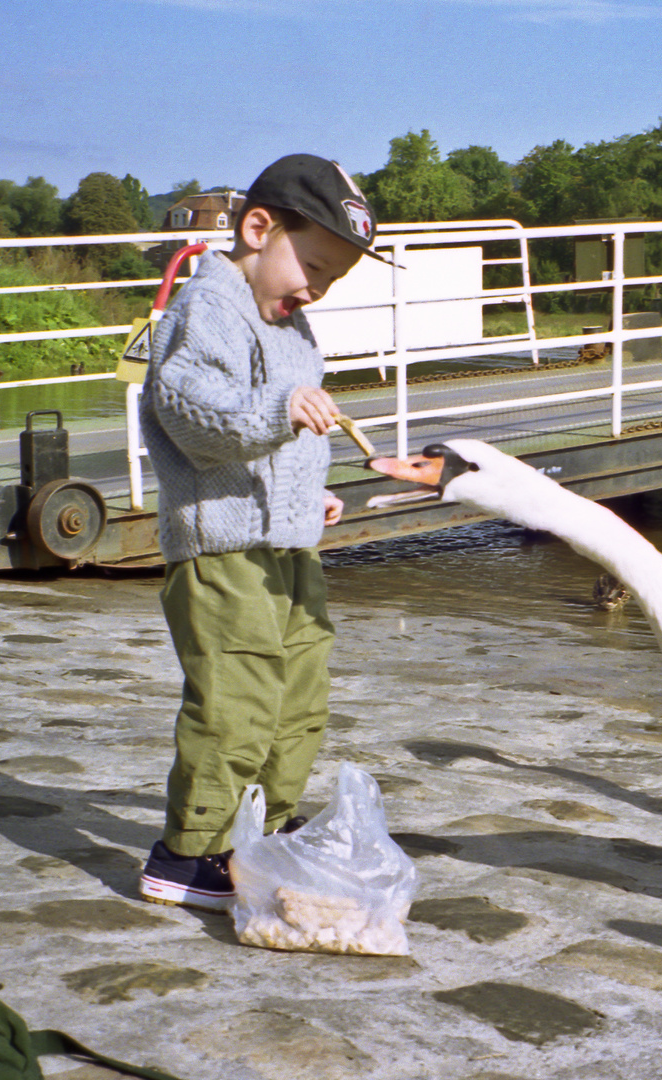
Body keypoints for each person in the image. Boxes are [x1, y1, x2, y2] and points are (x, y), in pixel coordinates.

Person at [136, 153, 387, 913]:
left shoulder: (291, 327)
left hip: (286, 546)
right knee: (236, 704)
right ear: (257, 228)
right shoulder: (207, 308)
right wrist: (280, 412)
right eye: (310, 266)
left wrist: (313, 497)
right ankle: (191, 853)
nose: (315, 287)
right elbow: (195, 413)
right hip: (223, 551)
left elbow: (289, 441)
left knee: (298, 699)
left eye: (332, 279)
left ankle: (266, 825)